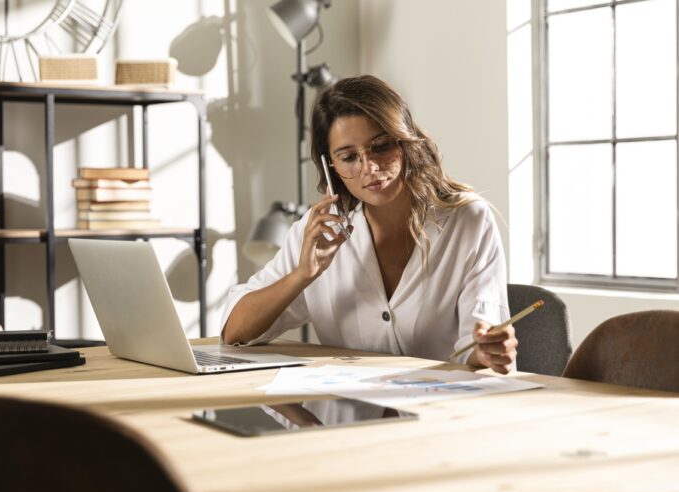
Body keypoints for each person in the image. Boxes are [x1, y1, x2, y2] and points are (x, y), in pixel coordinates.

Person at [221, 75, 517, 374]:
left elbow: (478, 344)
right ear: (331, 166)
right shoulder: (319, 232)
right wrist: (303, 275)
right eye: (349, 157)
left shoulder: (467, 220)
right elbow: (235, 333)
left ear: (404, 141)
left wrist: (488, 351)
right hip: (347, 412)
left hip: (441, 409)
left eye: (382, 146)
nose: (370, 168)